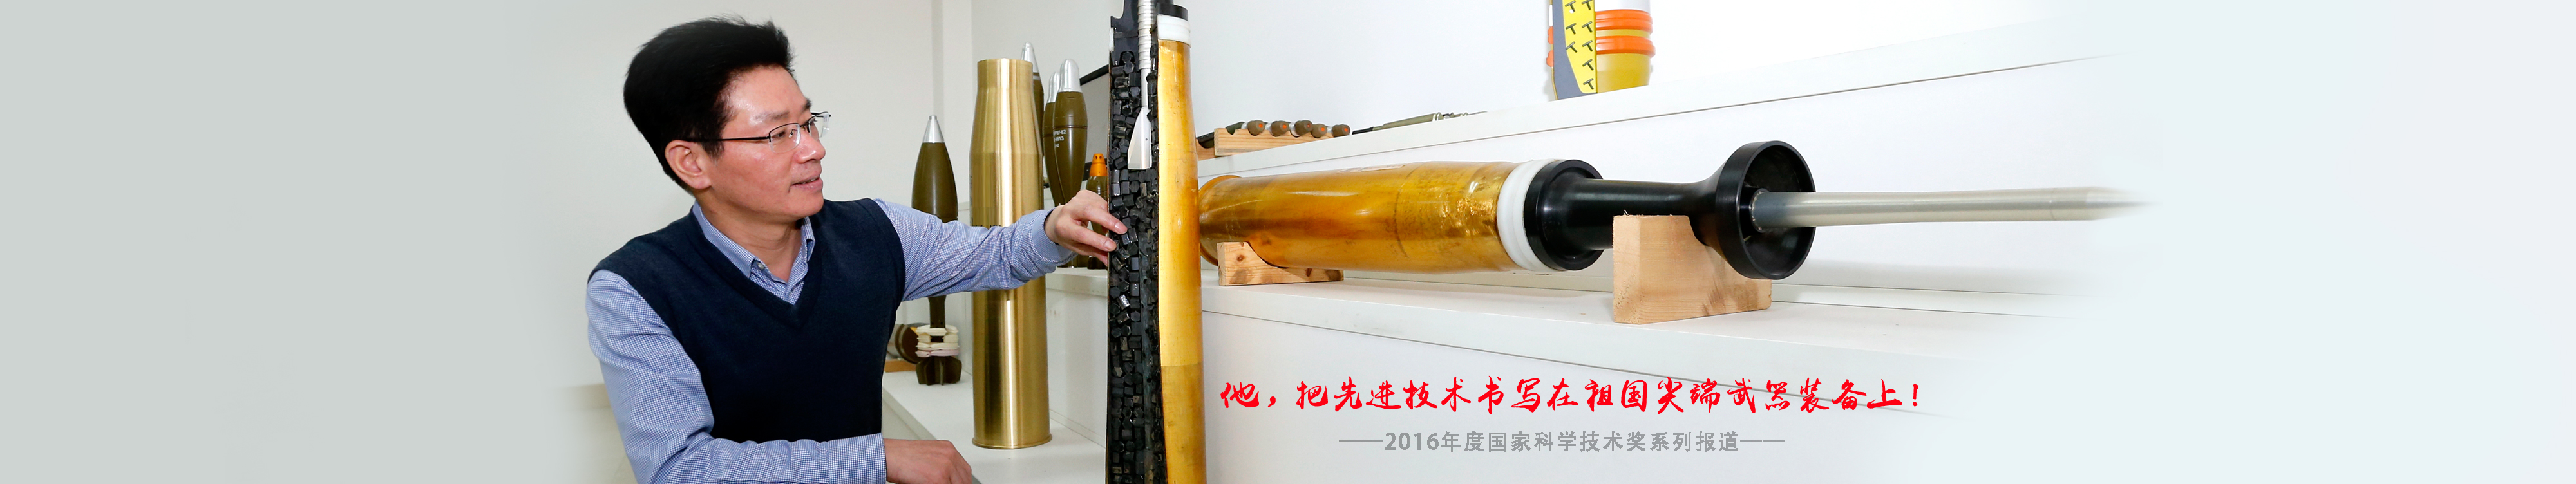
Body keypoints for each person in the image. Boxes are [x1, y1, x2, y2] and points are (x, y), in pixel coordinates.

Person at [585, 16, 1121, 484]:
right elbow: (680, 469)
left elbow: (995, 253)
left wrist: (1056, 227)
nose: (814, 149)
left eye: (808, 123)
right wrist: (876, 459)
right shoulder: (634, 290)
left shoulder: (876, 231)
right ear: (692, 162)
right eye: (777, 135)